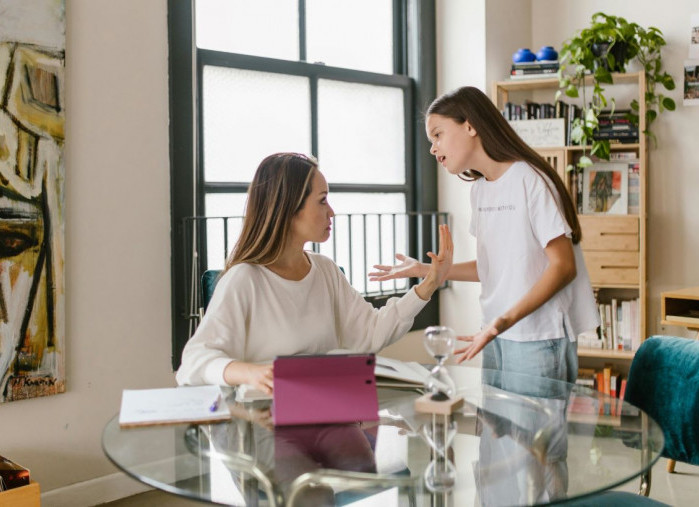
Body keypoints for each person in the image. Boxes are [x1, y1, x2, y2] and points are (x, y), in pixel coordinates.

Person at [369, 87, 599, 383]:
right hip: (494, 333)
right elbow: (489, 268)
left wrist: (501, 322)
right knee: (494, 430)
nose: (433, 149)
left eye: (438, 135)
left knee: (534, 431)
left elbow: (564, 267)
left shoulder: (530, 179)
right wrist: (427, 270)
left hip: (537, 337)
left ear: (470, 125)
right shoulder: (480, 190)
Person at [176, 152, 453, 392]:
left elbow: (369, 333)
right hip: (263, 430)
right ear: (289, 208)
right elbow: (193, 363)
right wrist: (250, 373)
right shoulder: (244, 279)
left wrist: (427, 286)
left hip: (327, 416)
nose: (331, 212)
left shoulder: (326, 271)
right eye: (322, 201)